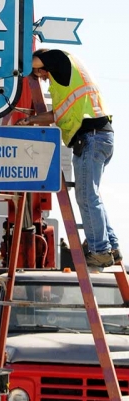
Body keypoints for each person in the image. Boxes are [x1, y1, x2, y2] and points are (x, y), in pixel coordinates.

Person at [17, 48, 120, 270]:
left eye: (41, 74)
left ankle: (100, 251)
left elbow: (30, 60)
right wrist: (32, 120)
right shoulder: (69, 79)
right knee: (92, 196)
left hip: (90, 137)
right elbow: (58, 115)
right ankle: (111, 246)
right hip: (99, 136)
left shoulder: (60, 60)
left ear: (44, 64)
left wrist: (14, 57)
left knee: (87, 197)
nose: (43, 79)